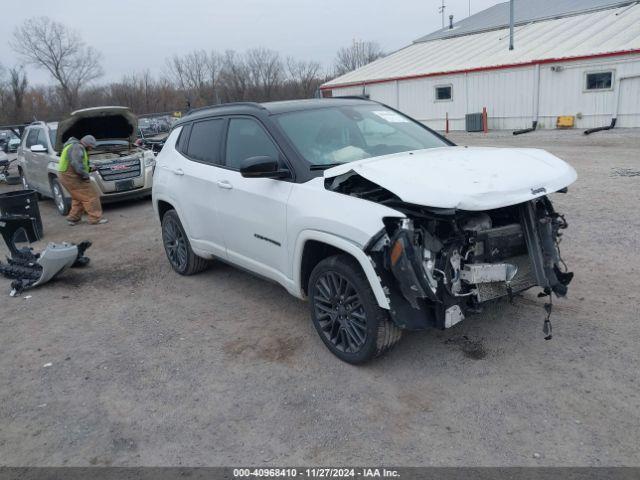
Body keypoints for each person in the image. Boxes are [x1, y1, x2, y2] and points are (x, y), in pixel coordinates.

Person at [58, 135, 108, 226]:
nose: (91, 148)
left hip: (66, 176)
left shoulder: (73, 146)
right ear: (87, 144)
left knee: (79, 197)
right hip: (72, 177)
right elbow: (77, 165)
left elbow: (79, 164)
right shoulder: (77, 147)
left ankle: (73, 218)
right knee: (91, 196)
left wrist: (89, 169)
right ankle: (95, 218)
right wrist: (85, 175)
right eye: (91, 146)